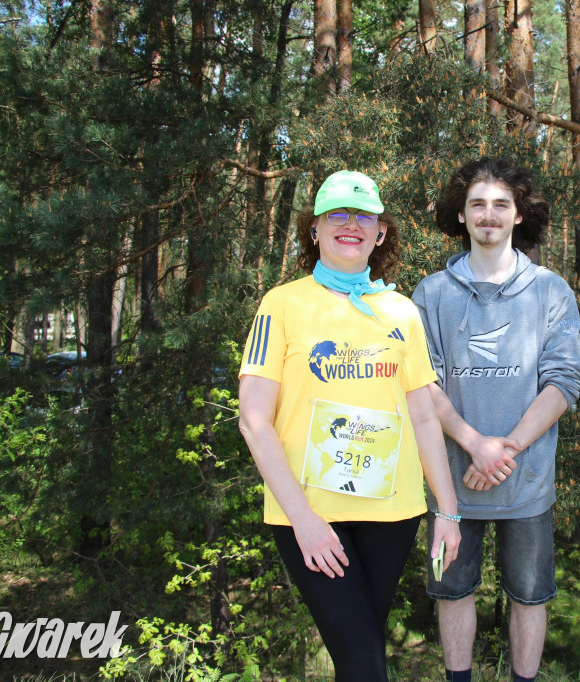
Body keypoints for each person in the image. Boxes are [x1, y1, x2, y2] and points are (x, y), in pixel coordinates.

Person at [238, 170, 461, 681]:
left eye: (364, 216)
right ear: (313, 229)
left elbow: (424, 414)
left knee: (360, 657)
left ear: (380, 233)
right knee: (365, 665)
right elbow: (254, 421)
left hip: (392, 515)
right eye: (337, 213)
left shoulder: (402, 312)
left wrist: (447, 512)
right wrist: (304, 521)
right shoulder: (282, 305)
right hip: (310, 515)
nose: (351, 224)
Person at [411, 158, 580, 682]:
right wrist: (474, 443)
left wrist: (503, 448)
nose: (489, 215)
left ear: (518, 215)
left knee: (531, 596)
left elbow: (565, 382)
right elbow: (423, 386)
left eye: (501, 205)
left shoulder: (550, 291)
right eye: (477, 205)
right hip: (451, 488)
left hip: (526, 484)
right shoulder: (431, 295)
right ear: (461, 216)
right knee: (452, 590)